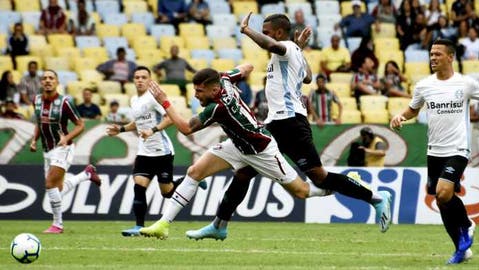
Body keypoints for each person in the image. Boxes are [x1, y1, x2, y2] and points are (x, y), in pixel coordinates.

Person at [185, 13, 392, 241]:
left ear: (280, 33)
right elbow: (308, 78)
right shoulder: (290, 52)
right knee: (243, 173)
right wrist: (300, 52)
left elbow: (273, 45)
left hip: (291, 123)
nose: (264, 36)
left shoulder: (284, 47)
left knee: (318, 177)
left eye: (267, 31)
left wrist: (247, 30)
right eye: (262, 32)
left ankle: (376, 197)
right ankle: (219, 225)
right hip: (277, 123)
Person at [139, 64, 332, 240]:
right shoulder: (224, 79)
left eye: (199, 91)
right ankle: (163, 225)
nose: (196, 95)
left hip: (261, 150)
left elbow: (185, 128)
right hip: (237, 146)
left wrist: (165, 102)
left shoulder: (217, 107)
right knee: (194, 172)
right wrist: (231, 75)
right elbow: (248, 67)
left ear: (214, 90)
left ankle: (337, 187)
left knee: (302, 191)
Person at [390, 38, 478, 264]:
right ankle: (461, 249)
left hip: (458, 148)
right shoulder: (424, 85)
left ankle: (467, 225)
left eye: (438, 54)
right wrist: (400, 116)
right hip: (434, 150)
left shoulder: (466, 84)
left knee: (443, 192)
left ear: (451, 57)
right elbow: (413, 109)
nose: (433, 58)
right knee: (441, 201)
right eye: (431, 54)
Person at [106, 66, 206, 236]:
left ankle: (190, 180)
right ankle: (139, 227)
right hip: (144, 152)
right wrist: (121, 129)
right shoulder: (134, 100)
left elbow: (170, 118)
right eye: (137, 77)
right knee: (139, 186)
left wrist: (153, 130)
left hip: (162, 151)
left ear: (150, 80)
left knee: (167, 193)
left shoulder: (153, 98)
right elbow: (137, 123)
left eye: (143, 77)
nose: (139, 80)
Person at [30, 69, 101, 234]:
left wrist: (66, 138)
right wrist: (34, 140)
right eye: (45, 78)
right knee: (57, 190)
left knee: (49, 184)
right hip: (47, 150)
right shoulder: (36, 100)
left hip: (63, 148)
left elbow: (80, 125)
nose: (48, 80)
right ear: (41, 82)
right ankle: (87, 174)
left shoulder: (65, 103)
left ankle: (58, 225)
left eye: (51, 78)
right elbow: (40, 123)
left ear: (57, 82)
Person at [470, 100, 479, 167]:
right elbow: (470, 116)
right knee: (474, 145)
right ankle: (475, 162)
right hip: (476, 128)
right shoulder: (475, 102)